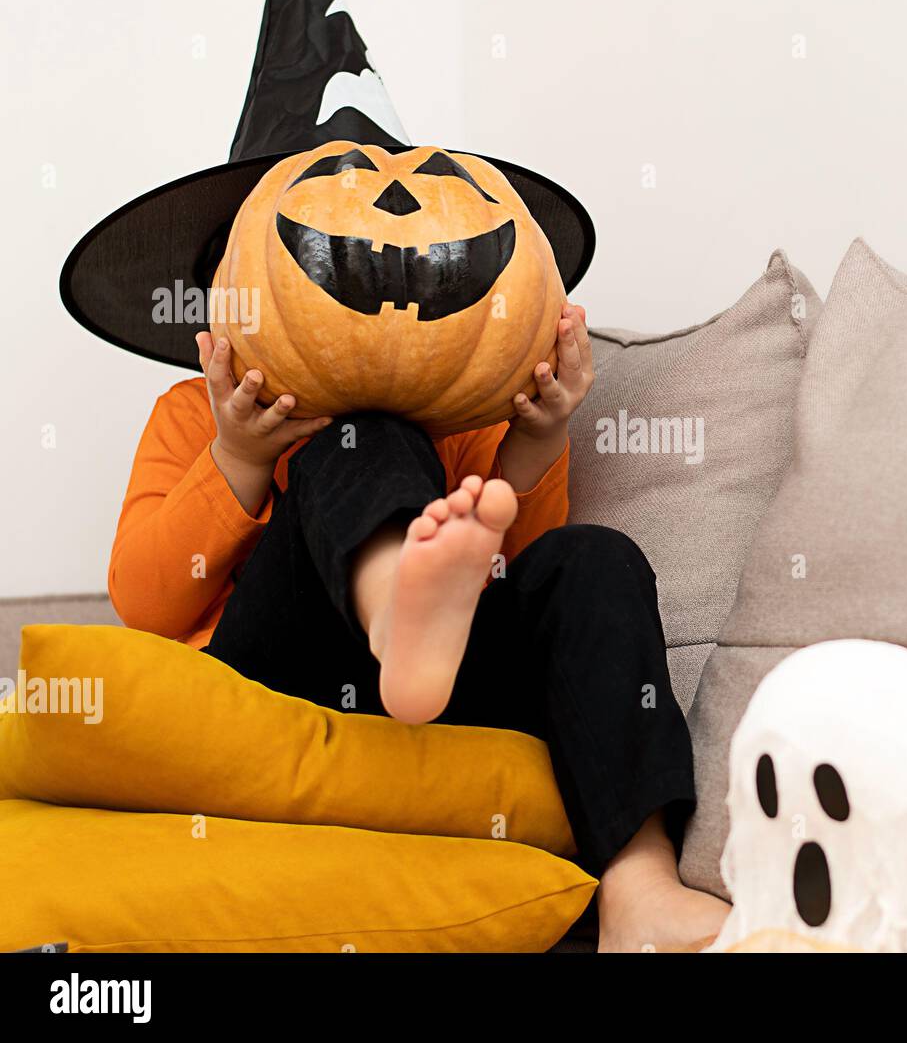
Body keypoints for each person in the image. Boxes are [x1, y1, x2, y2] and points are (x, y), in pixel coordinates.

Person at [108, 304, 730, 952]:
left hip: (437, 699)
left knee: (595, 560)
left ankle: (639, 885)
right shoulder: (187, 414)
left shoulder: (456, 415)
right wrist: (237, 455)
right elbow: (146, 604)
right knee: (355, 435)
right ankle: (396, 607)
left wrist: (537, 437)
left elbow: (527, 592)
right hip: (270, 696)